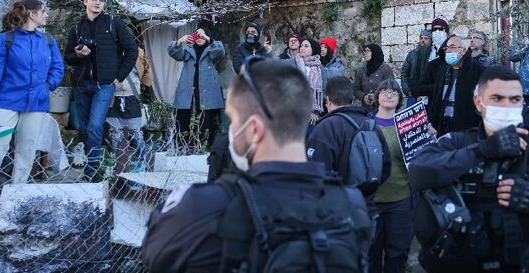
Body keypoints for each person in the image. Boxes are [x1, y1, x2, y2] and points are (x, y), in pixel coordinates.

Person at [141, 58, 373, 272]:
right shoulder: (353, 205)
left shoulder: (198, 207)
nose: (231, 131)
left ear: (253, 129)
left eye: (233, 120)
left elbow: (155, 255)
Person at [409, 66, 529, 273]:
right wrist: (483, 150)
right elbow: (418, 172)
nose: (506, 106)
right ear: (478, 102)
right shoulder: (459, 143)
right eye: (497, 98)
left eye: (514, 100)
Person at [0, 0, 64, 199]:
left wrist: (48, 86)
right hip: (5, 102)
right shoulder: (5, 40)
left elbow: (57, 68)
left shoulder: (48, 41)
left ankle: (18, 189)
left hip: (36, 104)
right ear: (31, 15)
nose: (46, 14)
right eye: (43, 11)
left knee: (28, 146)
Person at [64, 0, 138, 182]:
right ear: (85, 1)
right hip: (81, 84)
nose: (97, 3)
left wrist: (119, 77)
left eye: (101, 0)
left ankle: (91, 172)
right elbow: (68, 57)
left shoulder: (114, 23)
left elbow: (132, 50)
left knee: (95, 126)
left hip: (104, 85)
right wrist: (78, 55)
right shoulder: (77, 27)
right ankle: (95, 166)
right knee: (85, 127)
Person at [306, 76, 391, 217]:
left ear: (328, 100)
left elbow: (315, 176)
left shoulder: (325, 128)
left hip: (337, 217)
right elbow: (386, 167)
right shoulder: (371, 125)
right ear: (352, 100)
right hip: (367, 212)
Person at [369, 79, 414, 273]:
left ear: (399, 99)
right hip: (372, 201)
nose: (389, 95)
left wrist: (428, 134)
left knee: (398, 253)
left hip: (400, 200)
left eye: (394, 92)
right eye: (385, 91)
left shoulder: (408, 126)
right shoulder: (366, 125)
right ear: (377, 97)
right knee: (371, 252)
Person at [168, 27, 225, 149]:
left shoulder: (212, 49)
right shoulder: (188, 49)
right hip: (189, 90)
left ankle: (205, 148)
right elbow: (174, 53)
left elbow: (220, 51)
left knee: (206, 120)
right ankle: (184, 148)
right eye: (197, 35)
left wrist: (208, 39)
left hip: (207, 91)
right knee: (185, 119)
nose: (199, 38)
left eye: (202, 35)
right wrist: (179, 42)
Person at [420, 35, 485, 135]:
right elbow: (436, 101)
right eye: (447, 48)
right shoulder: (442, 72)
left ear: (463, 50)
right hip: (441, 129)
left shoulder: (479, 72)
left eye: (453, 47)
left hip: (467, 133)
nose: (448, 51)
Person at [107, 46, 151, 179]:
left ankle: (144, 163)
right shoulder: (110, 49)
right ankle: (118, 165)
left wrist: (143, 81)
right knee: (115, 134)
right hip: (113, 97)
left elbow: (147, 73)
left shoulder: (139, 52)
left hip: (132, 95)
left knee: (136, 133)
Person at [409, 17, 449, 100]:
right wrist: (417, 94)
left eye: (440, 29)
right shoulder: (423, 50)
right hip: (426, 96)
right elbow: (415, 74)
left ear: (446, 31)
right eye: (434, 29)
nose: (437, 32)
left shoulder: (452, 48)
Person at [293, 38, 325, 125]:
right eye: (301, 46)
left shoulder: (320, 68)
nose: (302, 48)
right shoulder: (293, 62)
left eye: (306, 46)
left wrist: (316, 112)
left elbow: (322, 91)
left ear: (313, 49)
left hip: (311, 113)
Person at [353, 44, 395, 108]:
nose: (364, 53)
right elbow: (356, 89)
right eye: (364, 51)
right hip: (366, 110)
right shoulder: (361, 71)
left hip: (383, 109)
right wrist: (364, 96)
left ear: (375, 52)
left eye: (367, 51)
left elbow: (391, 87)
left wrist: (377, 97)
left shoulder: (385, 69)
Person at [401, 29, 431, 107]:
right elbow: (405, 73)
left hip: (429, 97)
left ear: (431, 40)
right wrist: (408, 91)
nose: (423, 40)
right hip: (413, 96)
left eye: (426, 38)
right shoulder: (412, 54)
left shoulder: (433, 55)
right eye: (421, 38)